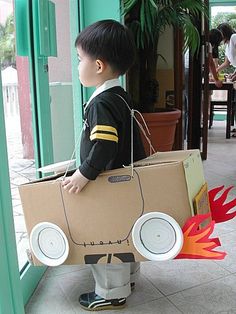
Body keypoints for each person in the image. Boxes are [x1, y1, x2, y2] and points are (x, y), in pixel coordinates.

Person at [62, 19, 146, 311]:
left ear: (98, 66)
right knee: (124, 233)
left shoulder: (101, 103)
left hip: (108, 185)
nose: (76, 66)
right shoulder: (118, 95)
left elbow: (105, 144)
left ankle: (111, 293)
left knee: (105, 239)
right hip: (125, 183)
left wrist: (84, 174)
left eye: (78, 59)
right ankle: (129, 278)